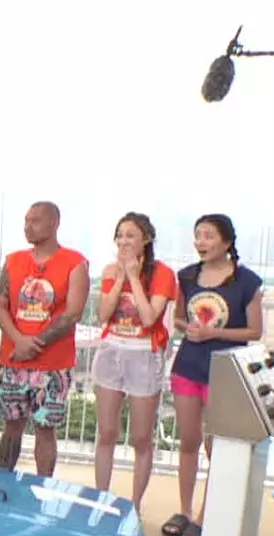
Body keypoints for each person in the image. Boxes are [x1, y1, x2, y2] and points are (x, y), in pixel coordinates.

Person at [162, 214, 262, 536]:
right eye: (198, 235)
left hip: (225, 369)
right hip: (188, 365)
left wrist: (214, 333)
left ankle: (205, 517)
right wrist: (187, 328)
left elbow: (254, 331)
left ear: (227, 242)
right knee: (188, 441)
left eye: (208, 236)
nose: (200, 242)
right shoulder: (188, 276)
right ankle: (184, 510)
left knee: (214, 446)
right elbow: (178, 317)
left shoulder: (247, 281)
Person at [0, 201, 89, 477]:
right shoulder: (13, 261)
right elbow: (0, 306)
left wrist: (33, 345)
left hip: (53, 364)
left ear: (53, 223)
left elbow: (72, 313)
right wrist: (19, 341)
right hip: (13, 359)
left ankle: (43, 484)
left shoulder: (75, 263)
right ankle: (4, 479)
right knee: (11, 424)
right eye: (26, 221)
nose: (28, 226)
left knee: (45, 427)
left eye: (35, 221)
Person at [90, 213, 177, 513]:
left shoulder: (163, 273)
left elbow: (150, 317)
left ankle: (135, 505)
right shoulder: (109, 270)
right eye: (120, 235)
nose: (123, 241)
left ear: (146, 239)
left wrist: (135, 278)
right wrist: (120, 278)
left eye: (130, 235)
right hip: (112, 349)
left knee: (141, 437)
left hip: (144, 353)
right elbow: (104, 314)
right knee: (107, 432)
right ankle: (101, 499)